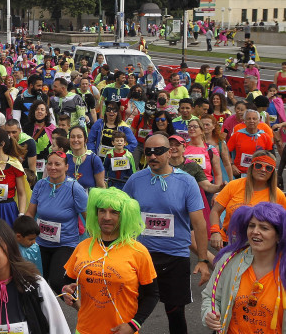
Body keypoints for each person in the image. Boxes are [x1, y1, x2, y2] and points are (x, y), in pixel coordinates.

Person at [122, 134, 211, 334]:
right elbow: (121, 214)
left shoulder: (187, 182)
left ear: (170, 152)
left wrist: (203, 259)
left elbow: (199, 224)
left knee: (175, 313)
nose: (153, 156)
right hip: (141, 256)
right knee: (130, 312)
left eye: (158, 151)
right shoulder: (136, 179)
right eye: (148, 152)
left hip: (175, 257)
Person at [61, 188, 159, 334]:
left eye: (114, 212)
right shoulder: (83, 246)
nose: (107, 217)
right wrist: (66, 292)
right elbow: (67, 282)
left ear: (125, 216)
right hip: (84, 330)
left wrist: (133, 325)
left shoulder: (138, 251)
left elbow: (152, 294)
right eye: (102, 211)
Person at [202, 202, 286, 333]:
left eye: (264, 228)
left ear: (279, 236)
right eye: (251, 226)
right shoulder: (229, 261)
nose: (255, 231)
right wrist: (209, 314)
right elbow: (210, 296)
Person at [26, 150, 87, 292]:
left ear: (66, 167)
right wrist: (22, 231)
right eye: (50, 164)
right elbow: (30, 213)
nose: (53, 167)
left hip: (65, 244)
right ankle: (44, 312)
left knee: (58, 282)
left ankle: (82, 310)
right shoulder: (40, 185)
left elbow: (88, 217)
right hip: (41, 242)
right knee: (36, 283)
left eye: (57, 164)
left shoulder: (75, 188)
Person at [210, 151, 286, 250]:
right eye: (258, 165)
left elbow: (283, 223)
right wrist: (215, 232)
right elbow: (215, 211)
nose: (263, 170)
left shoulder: (277, 194)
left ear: (272, 172)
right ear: (252, 167)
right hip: (230, 242)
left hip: (261, 246)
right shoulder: (233, 185)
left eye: (268, 168)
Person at [228, 109, 274, 177]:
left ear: (258, 121)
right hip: (239, 173)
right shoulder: (237, 135)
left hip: (259, 173)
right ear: (244, 121)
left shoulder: (265, 137)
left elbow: (271, 156)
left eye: (254, 119)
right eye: (248, 119)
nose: (251, 121)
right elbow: (226, 153)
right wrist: (231, 165)